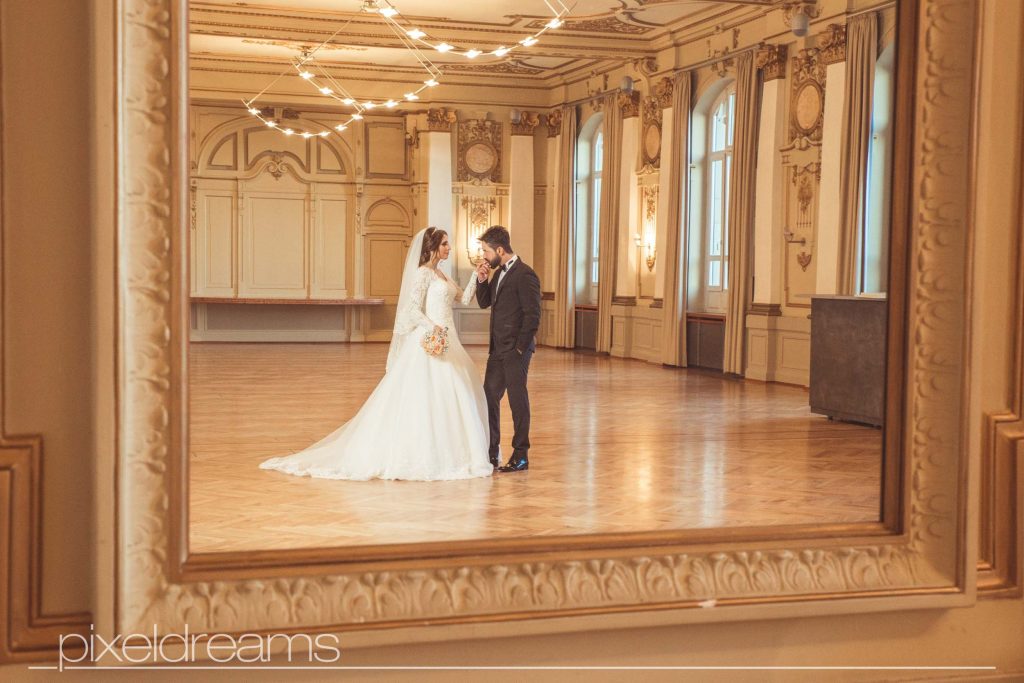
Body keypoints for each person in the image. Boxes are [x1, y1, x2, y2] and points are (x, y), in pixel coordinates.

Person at [258, 227, 493, 481]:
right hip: (430, 339)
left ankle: (457, 452)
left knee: (454, 392)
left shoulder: (442, 276)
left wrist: (477, 277)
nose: (449, 248)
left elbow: (465, 299)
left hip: (448, 342)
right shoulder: (423, 273)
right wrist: (432, 328)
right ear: (433, 246)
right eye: (445, 244)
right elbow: (412, 310)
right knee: (424, 397)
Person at [474, 225, 542, 473]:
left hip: (515, 351)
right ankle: (492, 453)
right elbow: (484, 303)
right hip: (497, 351)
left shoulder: (525, 275)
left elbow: (533, 316)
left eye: (486, 251)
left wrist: (520, 349)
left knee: (517, 400)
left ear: (499, 249)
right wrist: (482, 280)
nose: (484, 257)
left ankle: (521, 454)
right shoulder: (498, 272)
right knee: (489, 398)